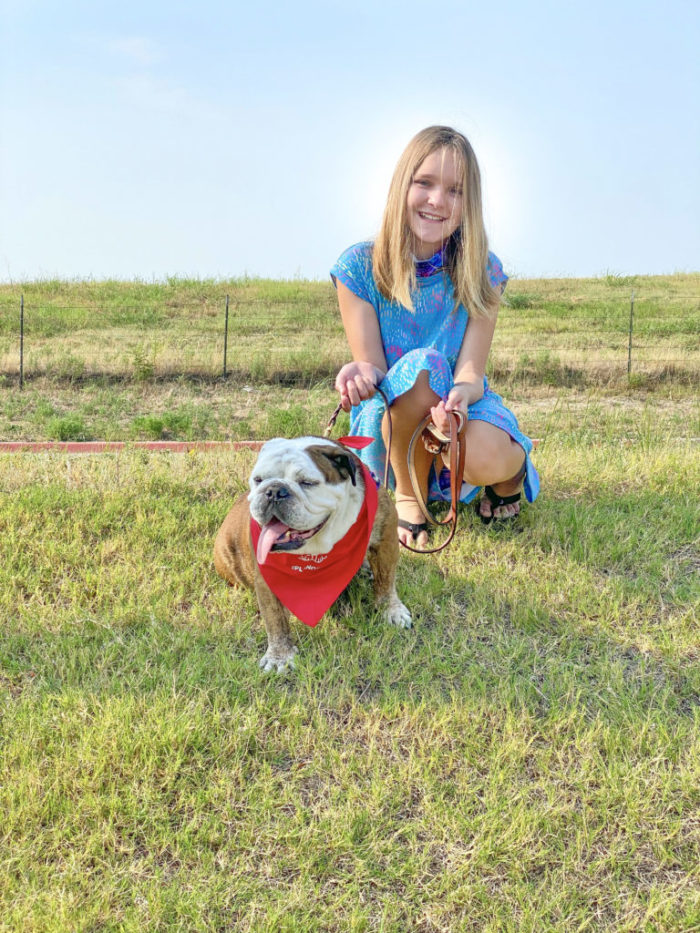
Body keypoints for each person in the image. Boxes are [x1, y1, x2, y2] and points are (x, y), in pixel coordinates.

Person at [330, 125, 539, 548]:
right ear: (402, 186)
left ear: (468, 203)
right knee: (423, 366)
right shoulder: (357, 268)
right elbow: (372, 367)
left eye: (455, 191)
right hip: (393, 413)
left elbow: (471, 370)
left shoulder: (483, 270)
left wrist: (460, 398)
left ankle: (511, 472)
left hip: (461, 406)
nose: (437, 201)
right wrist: (358, 373)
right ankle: (410, 494)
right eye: (424, 183)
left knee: (481, 455)